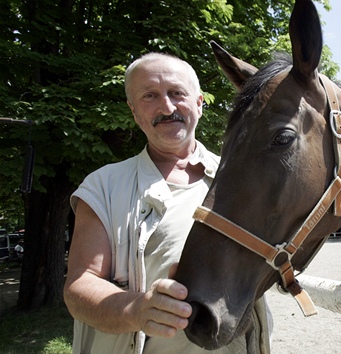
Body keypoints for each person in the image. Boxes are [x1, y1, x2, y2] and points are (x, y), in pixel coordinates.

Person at [63, 53, 271, 354]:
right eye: (150, 96)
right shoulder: (102, 186)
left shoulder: (246, 179)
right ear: (134, 112)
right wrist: (137, 310)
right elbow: (79, 287)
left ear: (199, 103)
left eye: (177, 93)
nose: (167, 107)